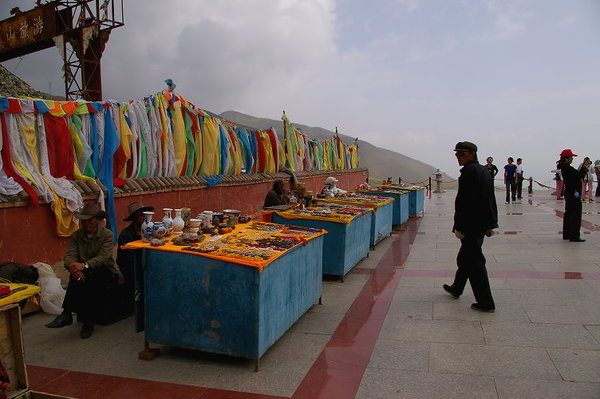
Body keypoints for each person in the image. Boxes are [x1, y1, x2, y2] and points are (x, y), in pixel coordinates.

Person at [45, 204, 116, 338]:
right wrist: (73, 267)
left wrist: (84, 266)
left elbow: (103, 257)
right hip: (81, 269)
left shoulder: (107, 234)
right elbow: (69, 255)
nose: (86, 223)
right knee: (77, 277)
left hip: (103, 269)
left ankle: (82, 319)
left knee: (91, 278)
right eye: (84, 220)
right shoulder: (76, 235)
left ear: (97, 220)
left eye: (89, 220)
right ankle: (69, 314)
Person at [443, 141, 498, 312]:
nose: (458, 157)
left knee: (475, 262)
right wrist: (491, 223)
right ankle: (457, 287)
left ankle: (486, 302)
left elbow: (464, 203)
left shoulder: (469, 172)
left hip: (472, 225)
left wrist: (458, 226)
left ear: (472, 153)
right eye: (456, 154)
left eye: (461, 153)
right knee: (465, 258)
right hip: (480, 223)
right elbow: (490, 199)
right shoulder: (483, 170)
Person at [117, 201, 154, 302]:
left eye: (145, 214)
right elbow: (127, 259)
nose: (143, 217)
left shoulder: (151, 230)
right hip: (132, 268)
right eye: (140, 214)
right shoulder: (126, 235)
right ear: (134, 218)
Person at [558, 149, 589, 242]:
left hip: (569, 192)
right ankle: (574, 236)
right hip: (573, 193)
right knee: (575, 214)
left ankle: (567, 234)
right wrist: (584, 167)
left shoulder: (565, 167)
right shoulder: (567, 168)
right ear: (566, 159)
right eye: (571, 157)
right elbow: (579, 175)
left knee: (568, 214)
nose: (572, 159)